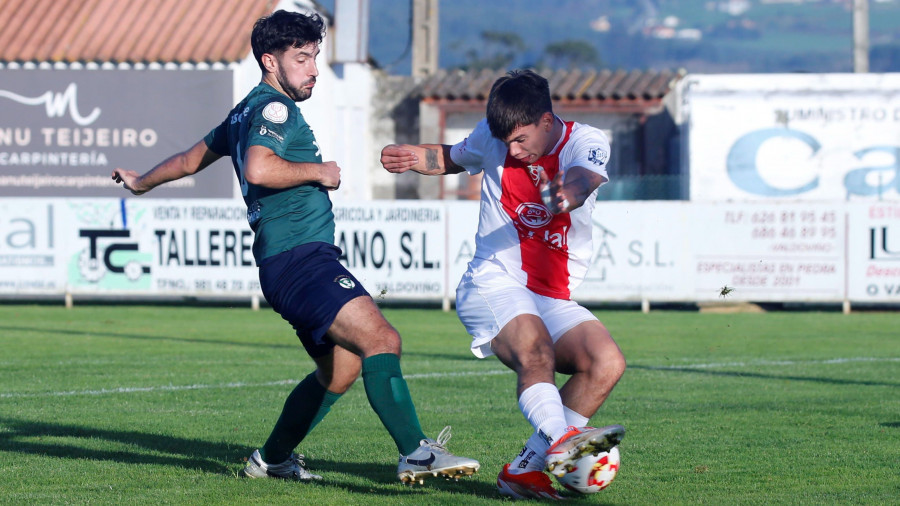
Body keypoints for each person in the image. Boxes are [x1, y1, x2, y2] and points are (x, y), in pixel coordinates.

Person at [111, 9, 479, 485]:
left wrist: (142, 182)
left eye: (315, 56)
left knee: (339, 371)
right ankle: (416, 452)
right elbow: (261, 169)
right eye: (301, 58)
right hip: (302, 259)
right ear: (270, 61)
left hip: (285, 264)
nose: (313, 68)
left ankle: (272, 460)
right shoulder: (273, 109)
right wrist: (319, 171)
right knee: (382, 340)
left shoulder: (244, 111)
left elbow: (188, 160)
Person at [380, 69, 626, 500]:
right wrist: (416, 158)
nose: (512, 150)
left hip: (549, 295)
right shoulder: (493, 137)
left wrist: (558, 197)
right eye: (506, 142)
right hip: (490, 282)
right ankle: (561, 440)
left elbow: (583, 182)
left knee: (604, 362)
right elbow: (455, 156)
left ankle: (523, 470)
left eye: (521, 140)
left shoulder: (587, 141)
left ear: (547, 123)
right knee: (535, 350)